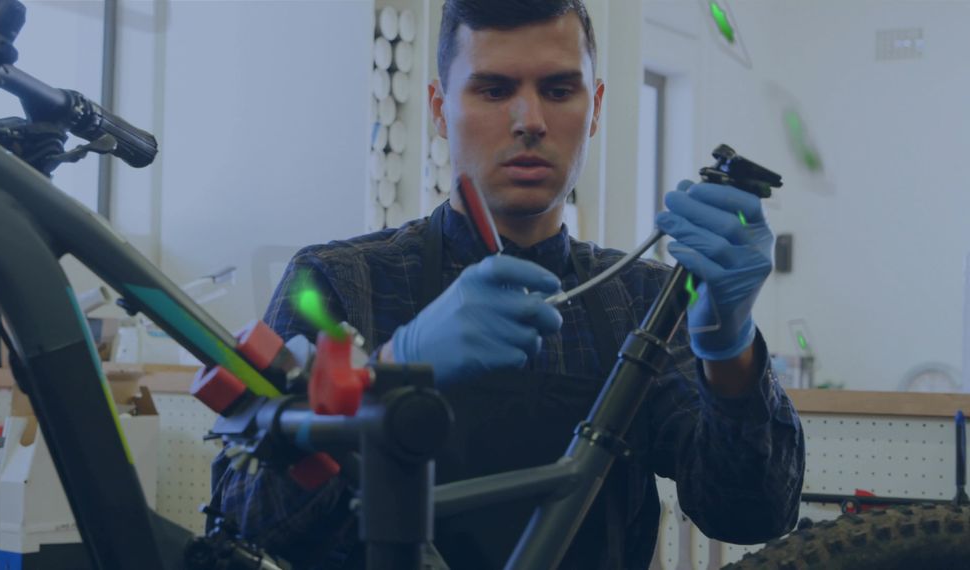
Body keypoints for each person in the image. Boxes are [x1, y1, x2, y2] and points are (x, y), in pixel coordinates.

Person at [212, 1, 805, 568]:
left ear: (594, 107)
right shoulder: (341, 283)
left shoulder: (642, 300)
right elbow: (246, 521)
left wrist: (730, 349)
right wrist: (389, 370)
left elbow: (751, 513)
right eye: (494, 90)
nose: (530, 122)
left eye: (558, 89)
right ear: (440, 110)